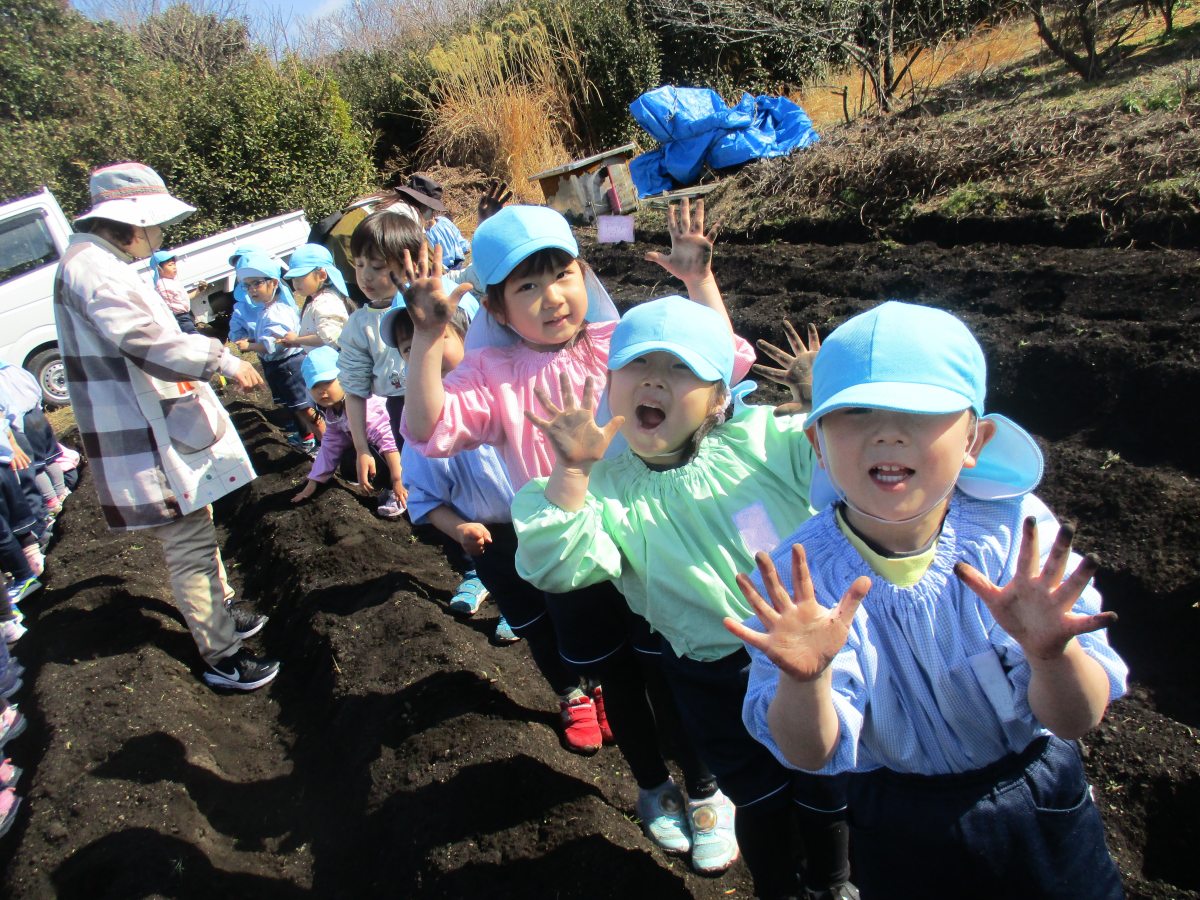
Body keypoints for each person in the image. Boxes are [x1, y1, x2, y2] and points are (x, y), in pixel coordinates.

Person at [729, 301, 1127, 898]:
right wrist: (804, 681)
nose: (887, 433)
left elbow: (1076, 719)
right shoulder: (800, 582)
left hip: (1037, 796)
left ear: (975, 438)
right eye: (856, 411)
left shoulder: (1014, 535)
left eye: (919, 411)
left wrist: (1051, 655)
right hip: (897, 817)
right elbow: (809, 754)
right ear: (817, 441)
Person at [399, 199, 737, 863]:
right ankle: (652, 787)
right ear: (497, 309)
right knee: (620, 683)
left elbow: (719, 364)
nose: (552, 297)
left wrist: (700, 284)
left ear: (586, 275)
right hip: (574, 559)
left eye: (563, 274)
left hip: (649, 546)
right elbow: (426, 427)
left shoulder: (622, 344)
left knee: (672, 673)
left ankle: (706, 790)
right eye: (527, 286)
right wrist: (427, 339)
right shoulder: (492, 377)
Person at [513, 298, 854, 896]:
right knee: (758, 795)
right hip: (710, 674)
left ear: (720, 396)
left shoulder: (760, 442)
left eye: (679, 368)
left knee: (826, 781)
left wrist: (825, 402)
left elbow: (843, 462)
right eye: (637, 364)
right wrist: (570, 472)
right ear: (610, 383)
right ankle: (778, 887)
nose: (653, 379)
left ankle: (833, 882)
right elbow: (556, 564)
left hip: (808, 655)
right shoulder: (605, 490)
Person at [53, 162, 279, 691]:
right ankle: (222, 657)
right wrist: (220, 358)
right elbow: (145, 340)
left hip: (152, 420)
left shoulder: (95, 262)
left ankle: (222, 610)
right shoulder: (93, 270)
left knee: (197, 521)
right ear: (131, 223)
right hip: (144, 431)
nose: (158, 236)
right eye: (154, 226)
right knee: (189, 541)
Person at [385, 305, 523, 642]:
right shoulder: (420, 427)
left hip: (540, 524)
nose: (426, 353)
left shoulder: (505, 388)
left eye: (437, 337)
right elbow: (425, 498)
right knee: (522, 606)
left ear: (466, 336)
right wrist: (459, 529)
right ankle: (519, 617)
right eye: (411, 348)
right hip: (489, 539)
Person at [291, 346, 405, 519]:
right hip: (383, 450)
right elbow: (330, 446)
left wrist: (398, 480)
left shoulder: (367, 406)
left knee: (372, 453)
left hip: (402, 451)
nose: (322, 391)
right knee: (348, 461)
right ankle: (388, 483)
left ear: (344, 377)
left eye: (328, 382)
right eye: (314, 386)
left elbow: (389, 442)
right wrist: (314, 481)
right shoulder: (334, 413)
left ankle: (402, 490)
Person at [230, 252, 324, 452]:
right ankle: (319, 443)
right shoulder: (267, 308)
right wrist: (254, 341)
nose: (252, 290)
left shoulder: (277, 311)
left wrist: (249, 347)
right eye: (247, 285)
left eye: (257, 283)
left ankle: (329, 446)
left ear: (273, 283)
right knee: (298, 408)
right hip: (281, 367)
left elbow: (275, 344)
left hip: (289, 367)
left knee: (305, 408)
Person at [280, 243, 356, 352]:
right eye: (293, 278)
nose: (295, 283)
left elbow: (327, 338)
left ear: (322, 275)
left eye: (300, 277)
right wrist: (297, 343)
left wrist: (296, 339)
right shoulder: (318, 300)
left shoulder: (326, 303)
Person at [149, 249, 208, 334]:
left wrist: (198, 290)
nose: (174, 267)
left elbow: (183, 298)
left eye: (174, 264)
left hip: (185, 316)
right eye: (170, 265)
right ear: (159, 269)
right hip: (179, 318)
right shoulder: (162, 285)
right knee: (193, 336)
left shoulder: (172, 281)